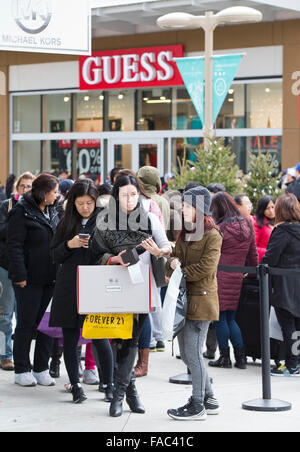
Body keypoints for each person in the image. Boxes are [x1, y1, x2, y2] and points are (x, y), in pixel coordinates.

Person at [92, 174, 171, 417]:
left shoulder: (147, 219)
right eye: (125, 194)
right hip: (114, 287)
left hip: (142, 288)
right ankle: (131, 392)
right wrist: (113, 259)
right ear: (116, 196)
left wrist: (160, 251)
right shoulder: (105, 220)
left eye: (134, 194)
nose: (130, 199)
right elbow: (94, 255)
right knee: (118, 341)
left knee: (132, 340)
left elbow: (167, 245)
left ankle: (118, 395)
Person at [49, 179, 114, 403]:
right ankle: (76, 385)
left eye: (89, 202)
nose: (85, 207)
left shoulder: (105, 220)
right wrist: (71, 244)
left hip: (95, 283)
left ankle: (109, 383)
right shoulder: (65, 222)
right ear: (72, 203)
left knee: (99, 335)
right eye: (80, 203)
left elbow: (110, 252)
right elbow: (54, 255)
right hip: (69, 284)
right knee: (69, 337)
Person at [166, 186, 223, 421]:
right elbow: (174, 256)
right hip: (183, 302)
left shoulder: (212, 235)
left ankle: (197, 404)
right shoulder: (186, 232)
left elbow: (206, 268)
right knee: (189, 356)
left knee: (194, 355)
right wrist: (170, 262)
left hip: (202, 301)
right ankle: (209, 398)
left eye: (188, 207)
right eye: (183, 206)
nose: (183, 210)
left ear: (200, 209)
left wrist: (179, 272)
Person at [7, 173, 60, 387]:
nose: (57, 196)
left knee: (46, 325)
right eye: (54, 192)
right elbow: (14, 246)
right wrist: (20, 275)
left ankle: (41, 368)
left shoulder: (53, 211)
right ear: (43, 192)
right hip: (28, 279)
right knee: (26, 324)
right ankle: (22, 368)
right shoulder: (21, 212)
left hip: (50, 277)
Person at [209, 192, 258, 370]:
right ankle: (241, 358)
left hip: (219, 277)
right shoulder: (247, 225)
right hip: (237, 278)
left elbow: (211, 254)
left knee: (220, 318)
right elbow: (253, 255)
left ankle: (224, 358)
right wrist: (251, 274)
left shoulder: (220, 228)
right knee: (231, 318)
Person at [261, 194, 300, 377]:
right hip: (296, 280)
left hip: (285, 283)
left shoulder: (282, 231)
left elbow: (270, 258)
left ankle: (293, 364)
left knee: (288, 324)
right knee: (297, 324)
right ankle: (296, 362)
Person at [0, 172, 35, 371]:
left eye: (30, 186)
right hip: (6, 265)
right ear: (17, 187)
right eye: (23, 186)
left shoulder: (37, 208)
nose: (26, 190)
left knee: (24, 315)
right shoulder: (6, 206)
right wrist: (17, 223)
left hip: (29, 267)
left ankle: (22, 357)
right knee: (5, 313)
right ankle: (5, 355)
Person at [253, 195, 276, 262]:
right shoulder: (257, 224)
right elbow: (253, 248)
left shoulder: (280, 221)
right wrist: (269, 252)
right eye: (267, 208)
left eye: (272, 207)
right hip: (264, 262)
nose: (271, 211)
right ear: (262, 210)